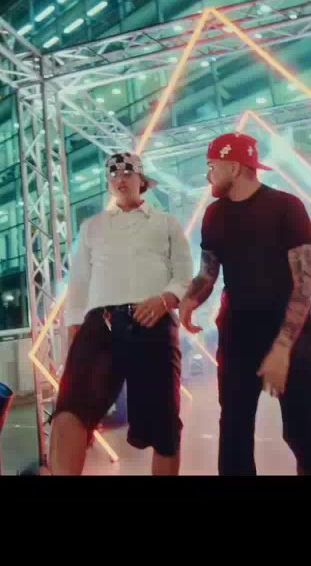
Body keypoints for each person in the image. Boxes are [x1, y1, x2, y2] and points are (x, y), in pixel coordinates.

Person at [179, 132, 311, 476]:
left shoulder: (287, 207)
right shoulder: (213, 215)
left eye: (212, 166)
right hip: (237, 333)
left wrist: (281, 349)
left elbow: (303, 287)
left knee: (303, 431)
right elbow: (208, 272)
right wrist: (190, 299)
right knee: (234, 431)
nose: (207, 175)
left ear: (234, 168)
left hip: (290, 333)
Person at [48, 152, 193, 476]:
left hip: (154, 324)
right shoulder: (92, 227)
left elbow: (185, 276)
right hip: (100, 325)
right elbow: (79, 283)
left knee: (165, 426)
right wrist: (75, 332)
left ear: (142, 180)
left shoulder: (166, 223)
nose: (120, 178)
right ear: (108, 183)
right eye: (113, 174)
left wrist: (164, 299)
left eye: (128, 172)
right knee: (70, 408)